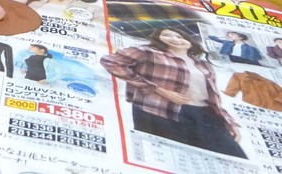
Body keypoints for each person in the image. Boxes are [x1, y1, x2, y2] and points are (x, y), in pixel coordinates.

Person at [100, 27, 246, 158]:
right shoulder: (147, 52)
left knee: (231, 157)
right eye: (167, 35)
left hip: (205, 115)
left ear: (190, 42)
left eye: (180, 37)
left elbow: (212, 96)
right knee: (170, 158)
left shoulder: (202, 64)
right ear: (158, 38)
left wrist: (228, 121)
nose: (175, 39)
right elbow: (111, 62)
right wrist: (157, 89)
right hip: (159, 112)